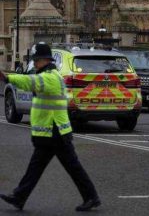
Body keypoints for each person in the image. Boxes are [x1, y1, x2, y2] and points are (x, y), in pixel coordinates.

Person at [0, 43, 100, 211]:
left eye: (36, 60)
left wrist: (7, 78)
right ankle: (19, 196)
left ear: (44, 60)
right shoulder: (49, 74)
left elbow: (30, 82)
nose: (34, 64)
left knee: (71, 168)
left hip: (56, 132)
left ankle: (91, 196)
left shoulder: (50, 77)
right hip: (51, 132)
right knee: (38, 167)